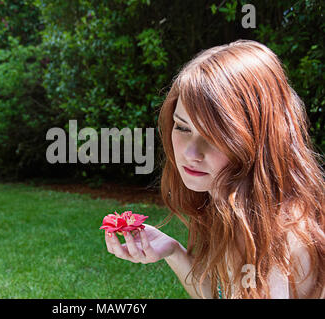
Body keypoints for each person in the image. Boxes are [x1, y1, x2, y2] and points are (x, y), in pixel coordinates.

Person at [104, 39, 324, 299]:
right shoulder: (230, 205)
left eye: (216, 136)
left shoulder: (278, 233)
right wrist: (173, 252)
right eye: (183, 127)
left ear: (259, 139)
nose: (190, 153)